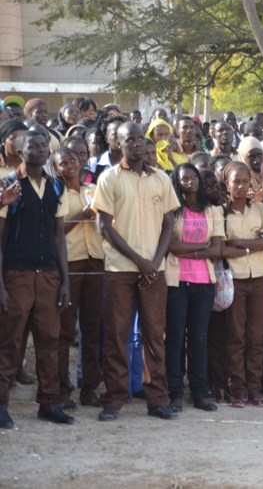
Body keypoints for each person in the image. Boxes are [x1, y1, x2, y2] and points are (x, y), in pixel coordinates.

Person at [91, 121, 181, 421]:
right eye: (129, 139)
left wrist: (154, 261)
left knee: (155, 335)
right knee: (117, 335)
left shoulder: (161, 179)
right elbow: (104, 226)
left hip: (154, 270)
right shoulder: (109, 178)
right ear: (118, 143)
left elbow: (169, 224)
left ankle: (157, 399)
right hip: (120, 269)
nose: (137, 143)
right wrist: (138, 260)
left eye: (140, 138)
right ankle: (114, 399)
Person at [0, 130, 72, 429]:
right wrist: (1, 285)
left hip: (49, 276)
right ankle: (2, 404)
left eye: (44, 145)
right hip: (16, 275)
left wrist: (65, 281)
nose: (41, 149)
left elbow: (59, 237)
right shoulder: (8, 185)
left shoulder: (56, 185)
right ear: (19, 150)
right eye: (33, 145)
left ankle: (49, 403)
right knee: (10, 342)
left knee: (50, 341)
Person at [164, 163, 224, 412]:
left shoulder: (213, 211)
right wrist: (201, 249)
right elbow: (172, 247)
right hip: (177, 281)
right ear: (177, 183)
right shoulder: (172, 211)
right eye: (185, 178)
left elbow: (217, 249)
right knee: (175, 338)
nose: (190, 182)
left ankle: (199, 392)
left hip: (204, 282)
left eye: (194, 177)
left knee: (199, 338)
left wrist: (188, 250)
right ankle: (175, 392)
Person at [51, 148, 105, 409]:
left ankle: (89, 387)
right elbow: (54, 229)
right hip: (69, 264)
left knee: (92, 329)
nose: (69, 165)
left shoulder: (94, 189)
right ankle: (62, 389)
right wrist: (82, 215)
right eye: (63, 163)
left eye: (72, 160)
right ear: (56, 168)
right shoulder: (55, 193)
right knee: (64, 330)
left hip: (95, 261)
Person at [220, 162, 263, 408]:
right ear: (227, 185)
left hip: (260, 277)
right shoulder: (220, 212)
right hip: (235, 279)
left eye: (245, 182)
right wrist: (253, 243)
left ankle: (255, 389)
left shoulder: (261, 209)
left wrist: (238, 243)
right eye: (236, 182)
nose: (241, 186)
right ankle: (238, 390)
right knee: (236, 336)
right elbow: (222, 248)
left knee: (257, 337)